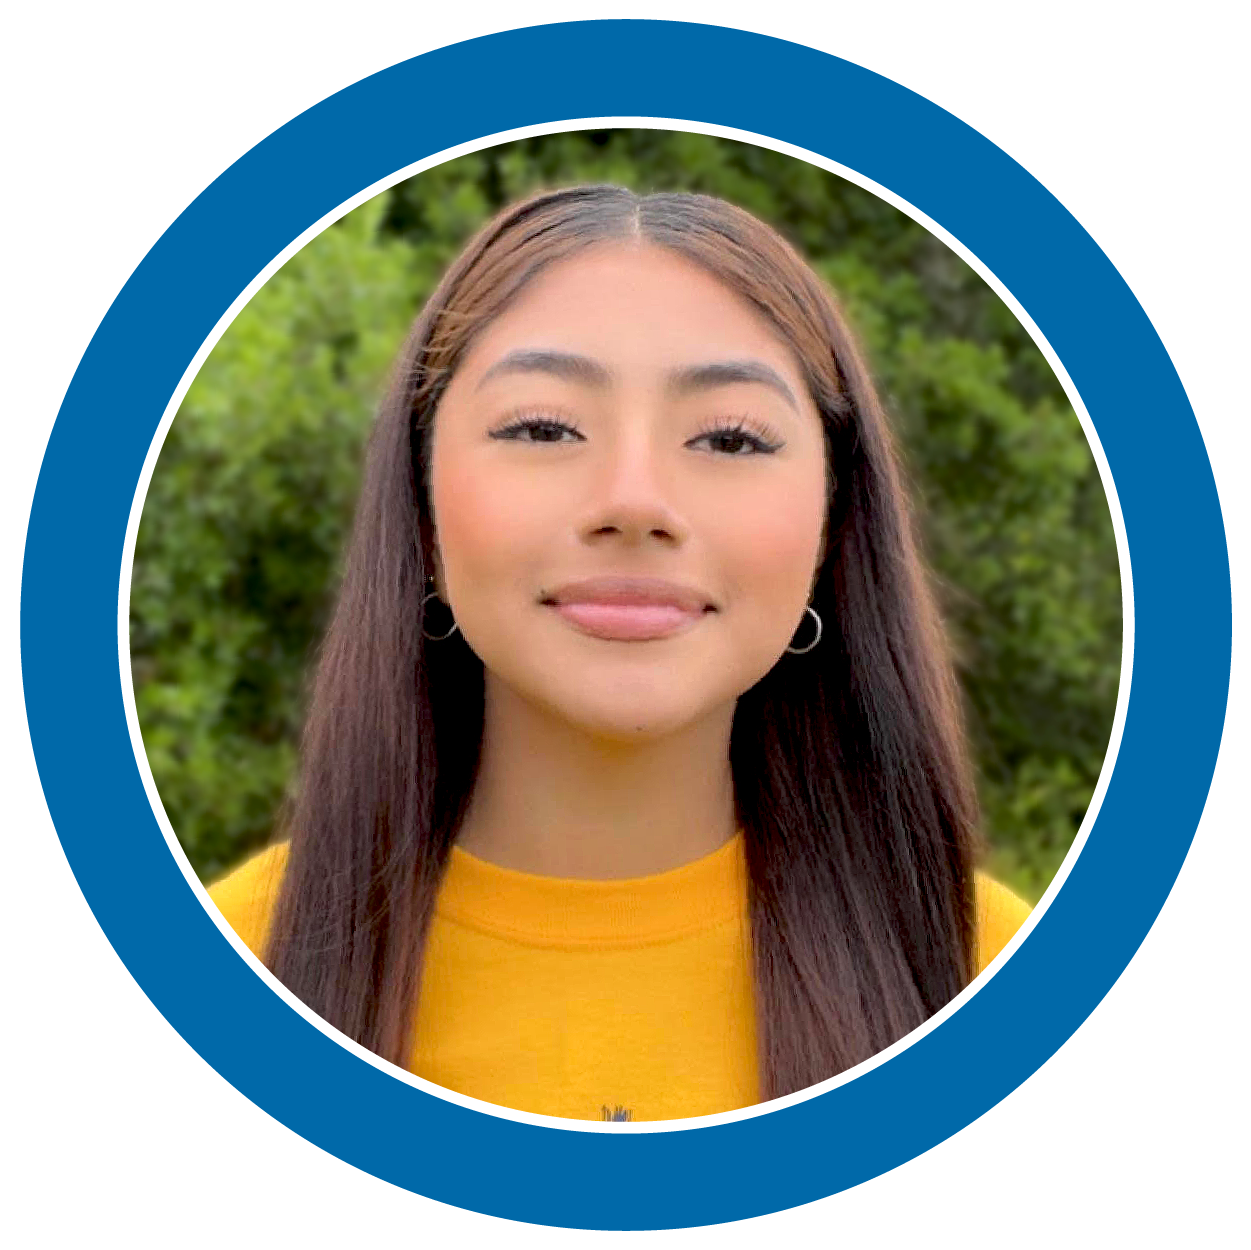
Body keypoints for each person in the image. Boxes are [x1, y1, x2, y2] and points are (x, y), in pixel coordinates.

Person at [209, 184, 1031, 1122]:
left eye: (728, 437)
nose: (635, 500)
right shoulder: (223, 965)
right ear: (423, 513)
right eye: (542, 428)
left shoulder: (995, 980)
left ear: (832, 528)